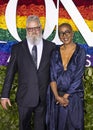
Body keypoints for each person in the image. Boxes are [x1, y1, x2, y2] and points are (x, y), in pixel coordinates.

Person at [0, 15, 55, 130]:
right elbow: (10, 73)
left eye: (36, 28)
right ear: (26, 30)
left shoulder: (51, 47)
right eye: (30, 29)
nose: (33, 31)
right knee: (23, 127)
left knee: (41, 127)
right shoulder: (17, 48)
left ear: (40, 28)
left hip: (43, 98)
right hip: (24, 97)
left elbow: (56, 72)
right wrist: (5, 95)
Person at [46, 23, 86, 130]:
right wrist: (57, 96)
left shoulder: (80, 51)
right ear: (59, 36)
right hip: (56, 97)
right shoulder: (55, 52)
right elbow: (52, 76)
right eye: (61, 33)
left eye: (67, 32)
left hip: (74, 97)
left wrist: (65, 97)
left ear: (72, 33)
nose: (65, 35)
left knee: (73, 126)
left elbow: (78, 77)